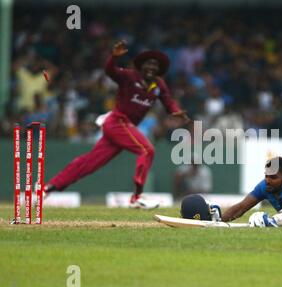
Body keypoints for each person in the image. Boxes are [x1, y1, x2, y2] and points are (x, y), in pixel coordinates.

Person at [43, 41, 190, 208]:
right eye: (148, 63)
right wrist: (113, 57)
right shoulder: (129, 76)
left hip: (124, 128)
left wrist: (176, 111)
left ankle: (48, 187)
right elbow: (110, 71)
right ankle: (137, 197)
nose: (151, 67)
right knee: (146, 150)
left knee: (90, 163)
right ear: (140, 66)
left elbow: (168, 102)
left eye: (155, 65)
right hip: (117, 122)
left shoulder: (158, 85)